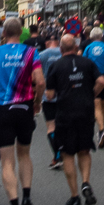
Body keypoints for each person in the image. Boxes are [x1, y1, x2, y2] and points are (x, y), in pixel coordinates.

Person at [0, 17, 45, 205]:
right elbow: (41, 81)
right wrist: (36, 102)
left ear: (4, 33)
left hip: (3, 108)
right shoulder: (30, 53)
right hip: (25, 108)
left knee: (7, 161)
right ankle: (27, 199)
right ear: (21, 33)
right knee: (24, 155)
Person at [43, 35, 104, 205]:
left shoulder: (55, 66)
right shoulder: (87, 63)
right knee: (84, 150)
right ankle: (86, 182)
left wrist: (54, 95)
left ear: (61, 49)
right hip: (85, 111)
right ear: (76, 46)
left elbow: (49, 94)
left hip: (65, 113)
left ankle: (75, 197)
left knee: (67, 154)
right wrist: (92, 93)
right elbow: (101, 81)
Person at [82, 27, 104, 148]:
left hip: (93, 78)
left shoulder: (88, 48)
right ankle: (102, 129)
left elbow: (84, 61)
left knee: (96, 105)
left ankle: (101, 130)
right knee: (102, 104)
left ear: (91, 37)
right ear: (101, 37)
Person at [38, 32, 64, 171]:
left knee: (51, 127)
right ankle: (63, 151)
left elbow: (37, 77)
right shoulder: (64, 53)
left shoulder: (42, 55)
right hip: (65, 94)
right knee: (63, 124)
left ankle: (57, 155)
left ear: (47, 42)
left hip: (48, 95)